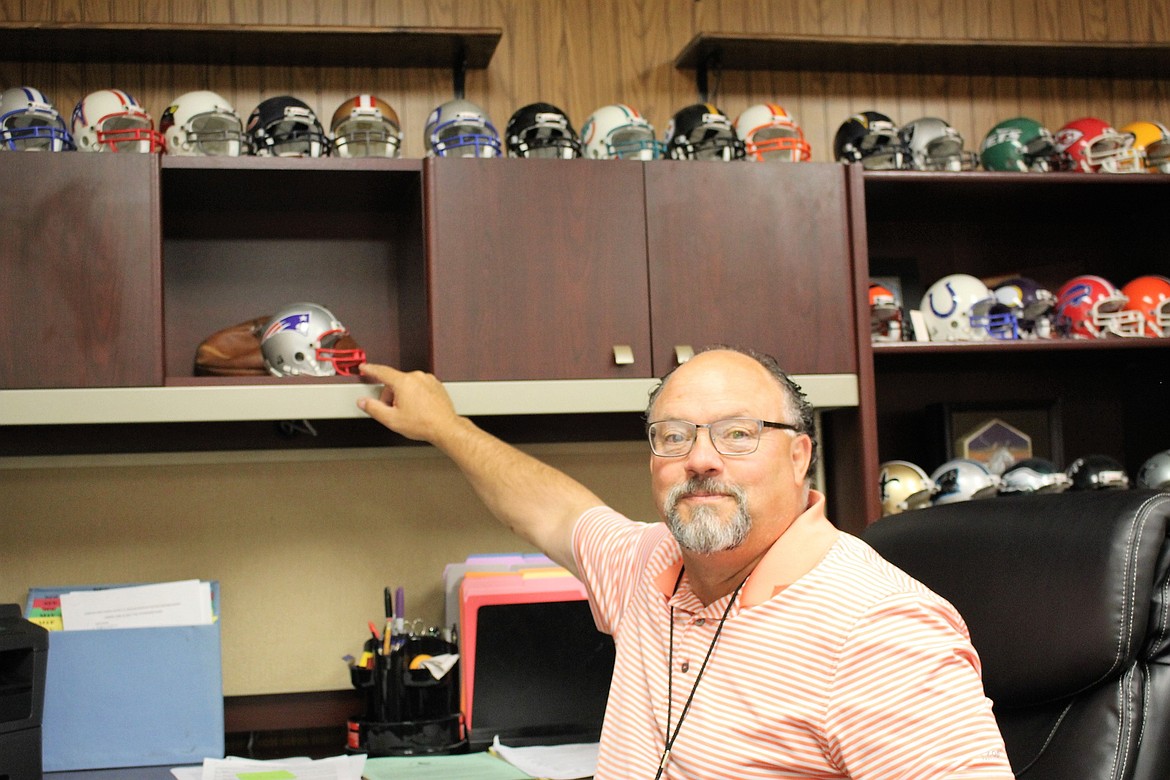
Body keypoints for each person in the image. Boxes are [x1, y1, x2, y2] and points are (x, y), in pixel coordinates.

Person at [357, 346, 1012, 779]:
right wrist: (446, 426)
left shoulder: (880, 630)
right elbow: (551, 511)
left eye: (737, 433)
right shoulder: (649, 565)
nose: (700, 458)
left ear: (798, 456)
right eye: (674, 436)